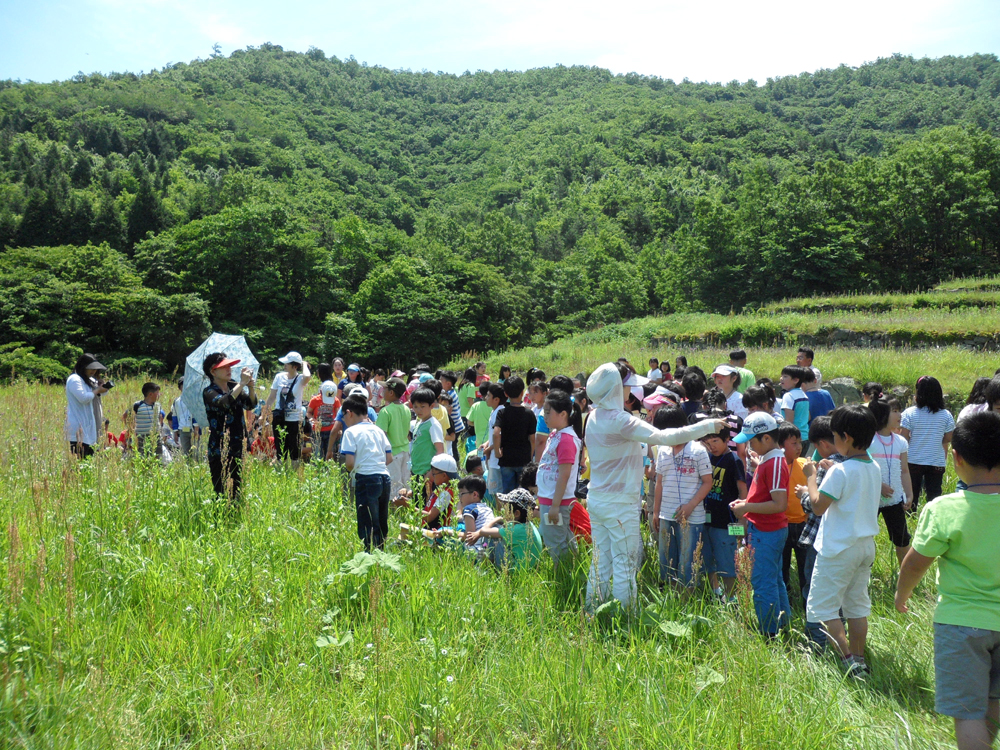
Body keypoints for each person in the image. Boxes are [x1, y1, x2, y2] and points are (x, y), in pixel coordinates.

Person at [895, 410, 1000, 750]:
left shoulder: (943, 509)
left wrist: (901, 594)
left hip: (961, 623)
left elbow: (915, 563)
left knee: (968, 713)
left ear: (955, 457)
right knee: (995, 701)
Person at [583, 363, 723, 609]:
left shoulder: (593, 417)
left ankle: (594, 609)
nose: (630, 392)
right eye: (627, 387)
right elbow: (665, 437)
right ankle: (625, 618)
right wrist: (708, 426)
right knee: (625, 563)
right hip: (620, 504)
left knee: (600, 560)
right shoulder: (620, 420)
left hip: (597, 500)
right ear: (616, 389)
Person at [801, 405, 881, 676]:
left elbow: (817, 506)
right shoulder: (873, 466)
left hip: (837, 548)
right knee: (856, 606)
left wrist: (811, 477)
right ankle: (860, 660)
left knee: (822, 608)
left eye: (835, 436)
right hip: (864, 546)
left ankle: (848, 661)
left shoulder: (840, 472)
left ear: (844, 437)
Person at [729, 412, 790, 637]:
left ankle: (769, 633)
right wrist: (747, 502)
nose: (749, 446)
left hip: (767, 531)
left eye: (752, 440)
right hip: (766, 530)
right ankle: (783, 624)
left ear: (766, 439)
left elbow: (779, 504)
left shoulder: (774, 463)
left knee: (763, 584)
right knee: (774, 580)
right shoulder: (768, 459)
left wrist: (746, 508)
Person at [650, 406, 713, 589]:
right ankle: (670, 597)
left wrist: (691, 505)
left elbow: (707, 482)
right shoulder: (663, 450)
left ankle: (686, 599)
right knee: (666, 559)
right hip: (666, 514)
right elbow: (659, 481)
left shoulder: (698, 450)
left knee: (688, 561)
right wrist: (656, 512)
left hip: (692, 516)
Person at [700, 422, 747, 600]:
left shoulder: (733, 461)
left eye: (715, 441)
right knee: (707, 558)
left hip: (727, 522)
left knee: (727, 560)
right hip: (706, 518)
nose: (712, 446)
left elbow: (743, 490)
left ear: (727, 439)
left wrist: (742, 521)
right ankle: (714, 592)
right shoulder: (706, 458)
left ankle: (731, 597)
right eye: (707, 442)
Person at [536, 390, 583, 567]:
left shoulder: (566, 439)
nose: (544, 416)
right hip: (551, 499)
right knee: (562, 538)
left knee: (555, 542)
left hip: (557, 501)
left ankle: (564, 577)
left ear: (563, 414)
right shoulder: (557, 435)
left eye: (548, 412)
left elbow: (564, 475)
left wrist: (555, 506)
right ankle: (571, 572)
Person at [202, 353, 257, 501]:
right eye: (224, 367)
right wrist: (241, 384)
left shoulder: (234, 385)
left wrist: (250, 387)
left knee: (237, 490)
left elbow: (250, 404)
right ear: (213, 372)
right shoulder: (209, 392)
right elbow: (224, 402)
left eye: (229, 366)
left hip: (239, 444)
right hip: (220, 448)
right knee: (221, 492)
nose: (229, 369)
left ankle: (234, 519)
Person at [341, 395, 393, 551]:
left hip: (366, 478)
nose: (344, 420)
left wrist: (355, 470)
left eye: (344, 416)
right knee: (381, 520)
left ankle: (370, 555)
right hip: (384, 477)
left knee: (367, 522)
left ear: (349, 413)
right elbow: (389, 458)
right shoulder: (378, 430)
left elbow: (349, 463)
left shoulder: (351, 432)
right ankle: (381, 553)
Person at [900, 376, 955, 513]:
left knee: (912, 493)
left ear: (918, 393)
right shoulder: (946, 415)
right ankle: (934, 518)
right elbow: (949, 437)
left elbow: (903, 439)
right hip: (936, 460)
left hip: (913, 460)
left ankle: (910, 516)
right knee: (934, 495)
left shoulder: (909, 413)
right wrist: (936, 440)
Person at [777, 421, 809, 605]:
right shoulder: (775, 466)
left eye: (800, 442)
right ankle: (784, 601)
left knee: (805, 567)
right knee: (782, 566)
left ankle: (806, 603)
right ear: (780, 446)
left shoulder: (805, 464)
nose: (799, 447)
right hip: (782, 524)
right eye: (794, 443)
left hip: (803, 523)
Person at [265, 351, 311, 465]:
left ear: (295, 366)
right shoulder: (279, 377)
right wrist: (264, 414)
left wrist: (304, 364)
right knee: (280, 450)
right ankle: (281, 473)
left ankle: (293, 474)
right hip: (279, 417)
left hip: (295, 419)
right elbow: (271, 397)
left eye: (287, 363)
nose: (284, 365)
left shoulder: (301, 379)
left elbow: (307, 376)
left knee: (294, 449)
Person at [493, 376, 537, 493]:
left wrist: (497, 452)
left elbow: (496, 433)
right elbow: (532, 439)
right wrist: (530, 456)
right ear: (522, 392)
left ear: (505, 394)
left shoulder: (502, 413)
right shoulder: (529, 413)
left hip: (506, 459)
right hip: (523, 458)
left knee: (507, 492)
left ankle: (509, 511)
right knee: (523, 492)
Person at [65, 353, 111, 458]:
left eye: (95, 369)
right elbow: (84, 398)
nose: (93, 371)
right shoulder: (75, 379)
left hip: (89, 428)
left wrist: (101, 387)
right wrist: (97, 390)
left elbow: (102, 393)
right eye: (90, 368)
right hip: (78, 427)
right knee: (79, 460)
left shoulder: (89, 379)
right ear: (83, 367)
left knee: (90, 459)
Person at [375, 378, 411, 496]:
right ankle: (405, 511)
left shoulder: (385, 411)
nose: (382, 391)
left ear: (391, 393)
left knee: (394, 488)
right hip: (406, 451)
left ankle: (395, 512)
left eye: (385, 389)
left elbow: (381, 436)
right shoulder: (407, 409)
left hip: (392, 454)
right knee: (406, 485)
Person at [408, 387, 446, 491]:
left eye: (422, 406)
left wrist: (431, 471)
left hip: (427, 472)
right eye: (415, 407)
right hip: (416, 470)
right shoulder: (419, 422)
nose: (418, 410)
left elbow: (440, 450)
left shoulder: (433, 424)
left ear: (432, 406)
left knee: (425, 504)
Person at [458, 475, 496, 555]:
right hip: (490, 549)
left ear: (475, 494)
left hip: (475, 550)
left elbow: (469, 536)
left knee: (444, 536)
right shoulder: (487, 508)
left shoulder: (468, 509)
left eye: (461, 494)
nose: (459, 498)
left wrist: (449, 532)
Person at [779, 366, 811, 450]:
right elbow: (808, 417)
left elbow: (789, 422)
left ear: (796, 380)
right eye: (782, 376)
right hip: (805, 438)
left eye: (785, 376)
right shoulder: (804, 395)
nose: (781, 378)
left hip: (793, 440)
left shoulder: (789, 396)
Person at [130, 382, 163, 460]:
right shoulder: (138, 405)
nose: (159, 395)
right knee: (142, 456)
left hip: (156, 435)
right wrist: (132, 429)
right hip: (142, 436)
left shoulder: (158, 405)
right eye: (157, 393)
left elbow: (160, 418)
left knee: (157, 456)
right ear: (150, 394)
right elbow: (126, 416)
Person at [307, 381, 340, 459]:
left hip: (331, 432)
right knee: (317, 454)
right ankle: (318, 470)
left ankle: (328, 470)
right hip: (317, 431)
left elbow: (338, 415)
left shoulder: (336, 401)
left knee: (329, 453)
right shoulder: (315, 400)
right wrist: (313, 420)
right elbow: (308, 413)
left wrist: (338, 429)